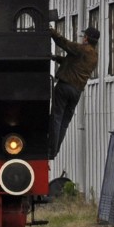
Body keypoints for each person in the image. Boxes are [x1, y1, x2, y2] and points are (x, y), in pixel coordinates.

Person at [48, 25, 99, 158]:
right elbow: (71, 62)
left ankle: (50, 149)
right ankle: (55, 151)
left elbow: (64, 43)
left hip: (64, 86)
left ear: (86, 38)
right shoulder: (94, 56)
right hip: (76, 92)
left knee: (56, 118)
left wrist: (52, 32)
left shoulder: (82, 49)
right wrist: (55, 58)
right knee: (64, 122)